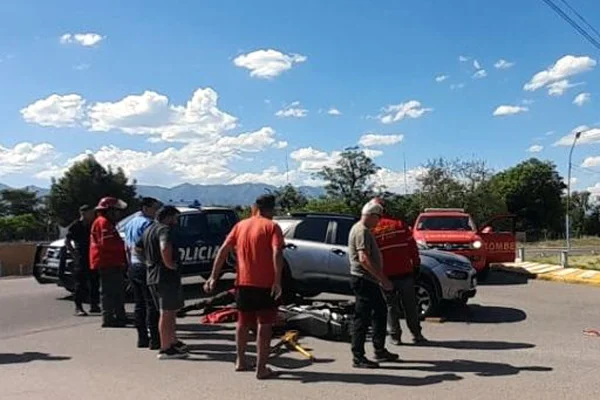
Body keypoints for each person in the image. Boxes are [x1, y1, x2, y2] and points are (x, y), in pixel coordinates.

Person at [205, 194, 284, 380]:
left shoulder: (240, 226)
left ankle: (240, 361)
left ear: (254, 207)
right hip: (265, 285)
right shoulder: (272, 226)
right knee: (264, 325)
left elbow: (223, 249)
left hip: (243, 283)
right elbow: (277, 252)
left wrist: (212, 277)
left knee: (242, 323)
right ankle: (261, 368)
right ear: (270, 209)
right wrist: (278, 280)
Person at [368, 198, 427, 345]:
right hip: (404, 273)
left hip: (385, 276)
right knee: (410, 306)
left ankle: (395, 336)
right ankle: (416, 334)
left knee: (390, 306)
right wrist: (416, 265)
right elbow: (412, 247)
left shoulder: (371, 230)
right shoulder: (399, 225)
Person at [348, 201, 398, 369]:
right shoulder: (361, 231)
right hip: (363, 279)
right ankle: (358, 356)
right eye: (378, 218)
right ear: (371, 215)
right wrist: (382, 279)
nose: (378, 222)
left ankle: (379, 349)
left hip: (368, 279)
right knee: (362, 318)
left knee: (380, 312)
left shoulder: (363, 229)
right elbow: (363, 259)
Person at [138, 205, 188, 360]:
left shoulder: (148, 230)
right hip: (165, 277)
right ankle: (166, 348)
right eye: (175, 218)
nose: (176, 221)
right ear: (168, 217)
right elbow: (165, 246)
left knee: (170, 311)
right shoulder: (163, 230)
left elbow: (136, 249)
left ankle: (172, 341)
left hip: (153, 276)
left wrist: (148, 263)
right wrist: (169, 264)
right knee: (166, 313)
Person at [123, 197, 162, 349]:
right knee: (152, 303)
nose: (156, 211)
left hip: (133, 265)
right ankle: (155, 339)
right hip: (146, 265)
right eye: (154, 208)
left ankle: (142, 338)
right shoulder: (149, 224)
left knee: (139, 304)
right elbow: (149, 246)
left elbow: (127, 246)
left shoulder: (130, 223)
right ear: (145, 208)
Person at [90, 197, 129, 328]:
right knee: (109, 291)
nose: (119, 214)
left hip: (112, 261)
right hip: (107, 262)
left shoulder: (105, 222)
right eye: (117, 211)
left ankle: (119, 316)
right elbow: (107, 243)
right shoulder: (103, 222)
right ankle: (108, 318)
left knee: (117, 290)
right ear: (109, 211)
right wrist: (124, 246)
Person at [65, 204, 99, 316]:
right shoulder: (76, 226)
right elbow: (67, 241)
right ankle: (78, 307)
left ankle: (94, 305)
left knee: (94, 282)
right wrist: (73, 253)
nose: (92, 215)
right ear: (83, 214)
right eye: (90, 213)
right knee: (80, 284)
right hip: (81, 257)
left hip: (92, 256)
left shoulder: (93, 225)